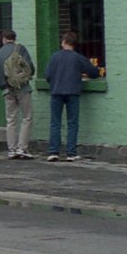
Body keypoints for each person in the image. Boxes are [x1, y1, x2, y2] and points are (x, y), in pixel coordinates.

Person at [44, 30, 103, 161]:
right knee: (72, 123)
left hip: (56, 92)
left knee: (55, 123)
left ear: (63, 42)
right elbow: (94, 72)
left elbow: (47, 75)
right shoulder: (77, 57)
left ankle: (53, 152)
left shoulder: (54, 57)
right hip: (72, 92)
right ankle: (71, 153)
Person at [0, 29, 35, 159]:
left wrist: (4, 86)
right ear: (14, 38)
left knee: (11, 119)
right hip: (23, 88)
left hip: (7, 90)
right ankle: (22, 148)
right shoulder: (20, 49)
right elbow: (30, 67)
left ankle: (12, 149)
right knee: (27, 117)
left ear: (3, 39)